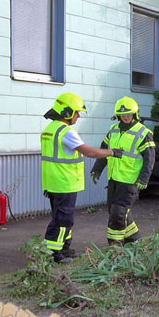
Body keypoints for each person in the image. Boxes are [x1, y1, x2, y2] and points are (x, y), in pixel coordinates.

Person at [41, 93, 116, 264]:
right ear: (67, 112)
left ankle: (65, 249)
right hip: (65, 182)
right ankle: (55, 254)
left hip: (53, 182)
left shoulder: (49, 130)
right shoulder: (66, 132)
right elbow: (89, 152)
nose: (78, 116)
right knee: (62, 220)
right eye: (76, 112)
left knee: (62, 218)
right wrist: (112, 153)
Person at [90, 97, 155, 246]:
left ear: (135, 114)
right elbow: (104, 152)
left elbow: (149, 158)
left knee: (118, 211)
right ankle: (134, 239)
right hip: (114, 178)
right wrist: (97, 169)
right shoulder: (113, 130)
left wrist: (144, 179)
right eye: (122, 114)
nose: (126, 117)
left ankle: (116, 244)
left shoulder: (144, 133)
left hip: (130, 181)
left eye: (129, 114)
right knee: (115, 211)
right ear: (117, 115)